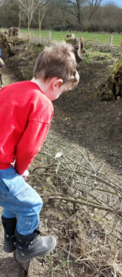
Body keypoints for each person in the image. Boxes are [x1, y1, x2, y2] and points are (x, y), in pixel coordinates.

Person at [0, 42, 79, 262]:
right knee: (32, 204)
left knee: (13, 200)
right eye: (62, 91)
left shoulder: (11, 88)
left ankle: (9, 238)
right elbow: (29, 148)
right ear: (56, 83)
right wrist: (21, 170)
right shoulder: (42, 103)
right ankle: (27, 244)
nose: (59, 95)